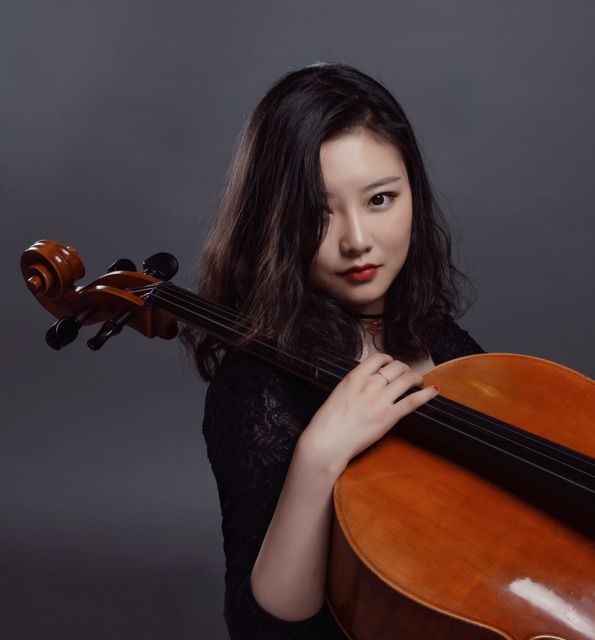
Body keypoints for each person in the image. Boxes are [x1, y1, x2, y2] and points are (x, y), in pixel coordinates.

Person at [184, 62, 484, 639]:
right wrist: (319, 455)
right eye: (316, 214)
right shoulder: (255, 388)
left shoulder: (440, 339)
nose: (357, 240)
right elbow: (264, 627)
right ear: (274, 222)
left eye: (380, 199)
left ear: (414, 194)